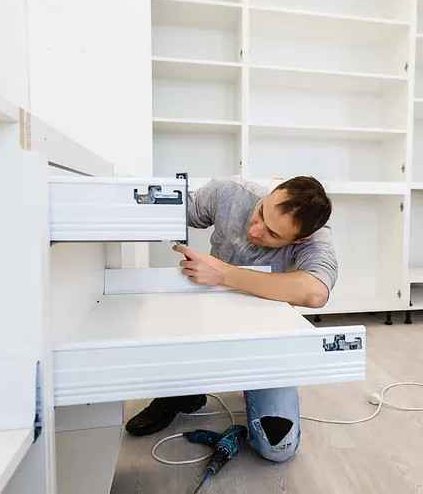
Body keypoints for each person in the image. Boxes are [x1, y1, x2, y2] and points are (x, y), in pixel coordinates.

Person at [125, 176, 338, 463]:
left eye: (273, 235)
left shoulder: (316, 238)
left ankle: (250, 380)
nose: (255, 229)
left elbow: (315, 294)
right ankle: (182, 391)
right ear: (270, 194)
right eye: (261, 212)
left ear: (300, 239)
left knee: (277, 448)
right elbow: (174, 209)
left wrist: (224, 274)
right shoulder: (231, 192)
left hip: (264, 335)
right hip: (207, 318)